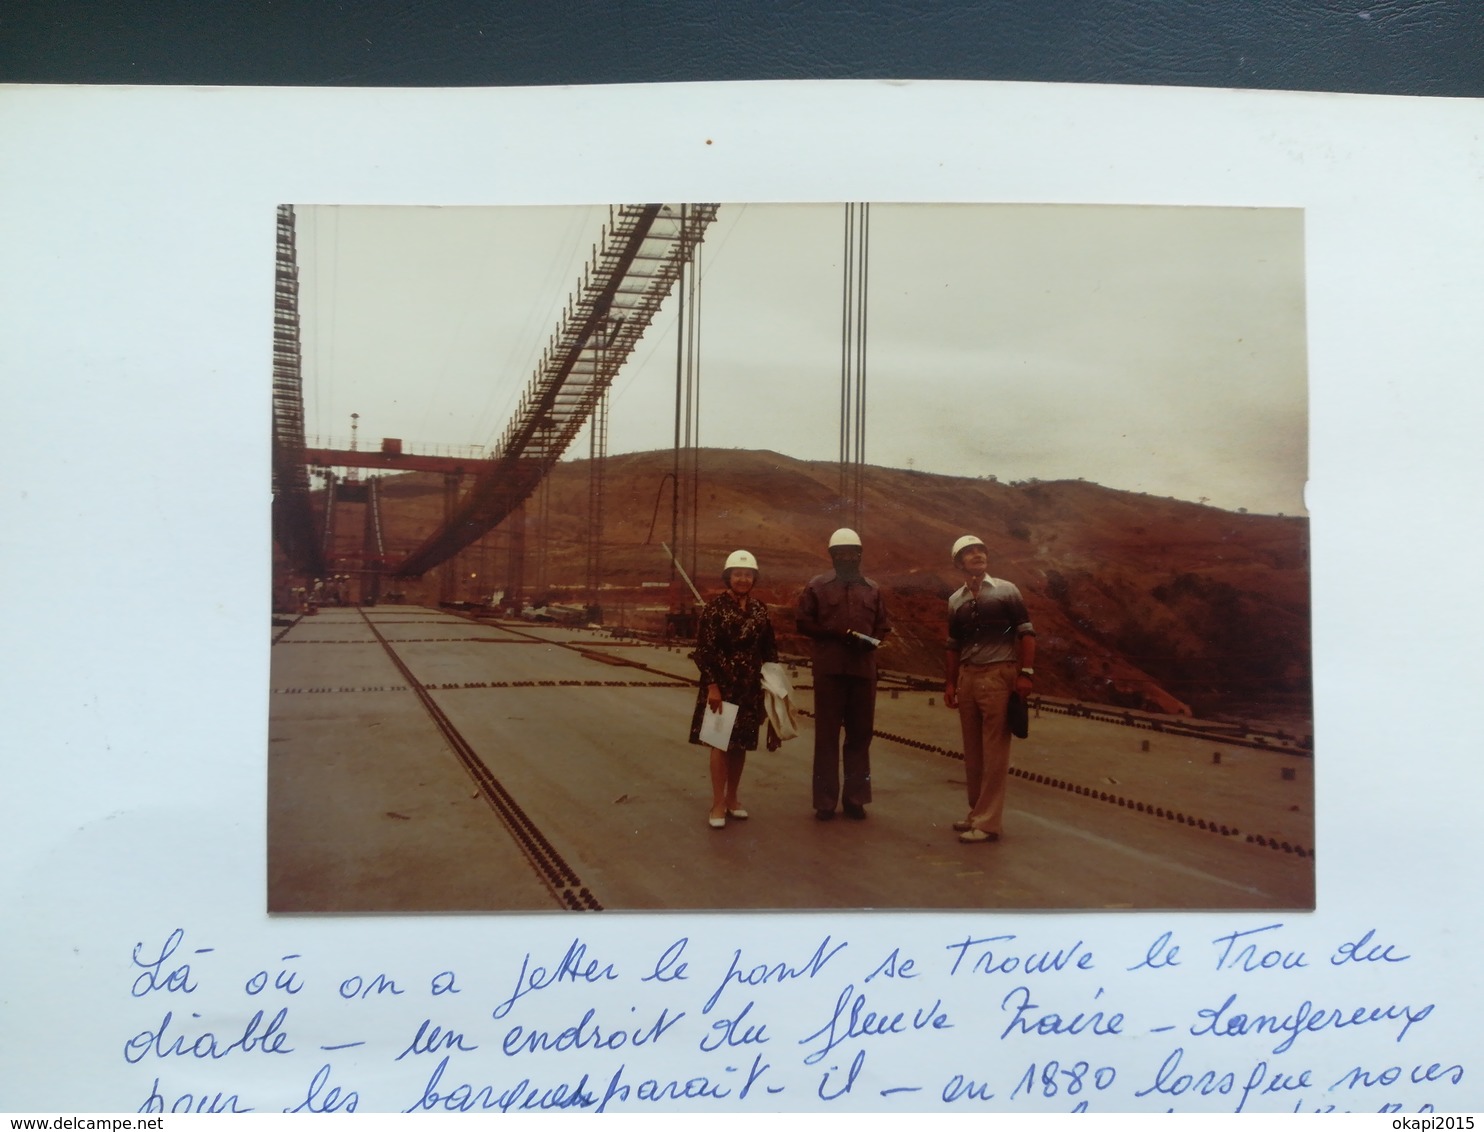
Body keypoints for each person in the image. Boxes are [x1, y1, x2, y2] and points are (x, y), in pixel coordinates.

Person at [943, 535, 1036, 843]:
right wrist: (950, 682)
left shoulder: (1007, 591)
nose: (977, 554)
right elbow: (954, 646)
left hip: (999, 674)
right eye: (969, 552)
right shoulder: (955, 601)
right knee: (973, 751)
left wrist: (1026, 673)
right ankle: (975, 813)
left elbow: (1026, 633)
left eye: (980, 549)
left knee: (995, 751)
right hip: (968, 677)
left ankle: (988, 823)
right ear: (959, 562)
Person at [796, 528, 892, 820]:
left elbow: (883, 625)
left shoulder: (872, 589)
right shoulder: (817, 586)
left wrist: (870, 640)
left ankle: (855, 799)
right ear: (832, 556)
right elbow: (803, 621)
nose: (846, 557)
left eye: (851, 552)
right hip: (830, 671)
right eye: (840, 553)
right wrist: (835, 634)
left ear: (859, 555)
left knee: (860, 736)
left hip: (863, 671)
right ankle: (825, 802)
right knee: (826, 737)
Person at [689, 550, 779, 829]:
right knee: (719, 743)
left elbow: (769, 651)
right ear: (728, 577)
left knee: (740, 744)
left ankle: (732, 799)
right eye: (738, 574)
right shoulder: (715, 609)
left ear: (754, 578)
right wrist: (713, 686)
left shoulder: (759, 609)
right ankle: (717, 803)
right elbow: (704, 652)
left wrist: (773, 689)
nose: (742, 579)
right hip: (721, 687)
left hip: (749, 687)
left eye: (748, 575)